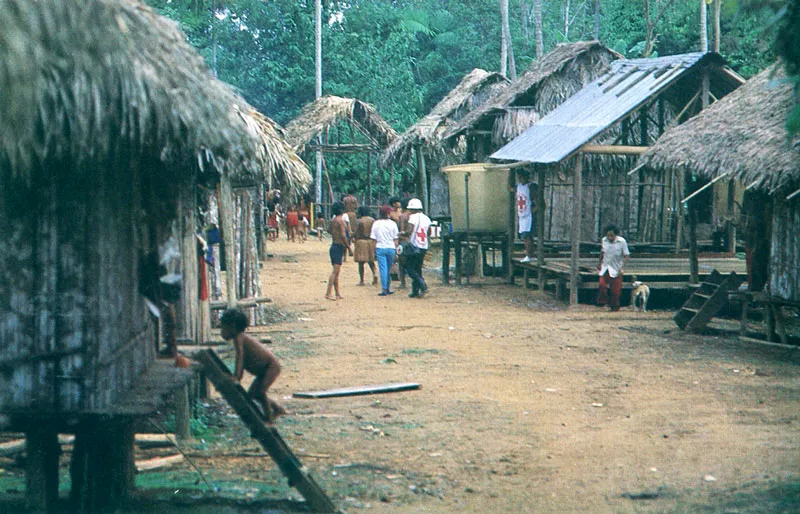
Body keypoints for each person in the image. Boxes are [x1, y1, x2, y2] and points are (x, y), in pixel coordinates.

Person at [220, 308, 286, 422]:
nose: (222, 331)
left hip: (270, 367)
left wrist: (236, 376)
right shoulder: (239, 338)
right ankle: (277, 408)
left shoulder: (239, 338)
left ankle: (268, 419)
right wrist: (238, 376)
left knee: (260, 392)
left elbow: (240, 357)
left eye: (223, 327)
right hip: (264, 370)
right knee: (252, 395)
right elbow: (242, 360)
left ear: (233, 326)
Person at [597, 224, 630, 312]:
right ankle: (604, 302)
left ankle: (614, 306)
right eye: (608, 235)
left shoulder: (621, 241)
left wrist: (621, 267)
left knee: (615, 290)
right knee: (602, 284)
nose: (609, 237)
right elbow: (602, 252)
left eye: (611, 235)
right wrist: (599, 263)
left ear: (616, 235)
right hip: (605, 266)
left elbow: (626, 255)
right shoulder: (604, 240)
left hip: (616, 267)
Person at [404, 198, 432, 298]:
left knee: (410, 268)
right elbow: (429, 233)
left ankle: (422, 285)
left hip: (414, 245)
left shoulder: (413, 218)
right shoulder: (427, 218)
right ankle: (415, 291)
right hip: (423, 246)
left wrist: (403, 233)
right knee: (418, 267)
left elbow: (409, 231)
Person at [371, 204, 399, 296]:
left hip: (380, 247)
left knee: (383, 269)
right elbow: (395, 238)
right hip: (391, 247)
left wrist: (373, 250)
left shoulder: (376, 223)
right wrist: (397, 250)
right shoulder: (393, 224)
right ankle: (388, 287)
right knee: (389, 268)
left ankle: (384, 289)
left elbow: (373, 239)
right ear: (388, 213)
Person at [326, 201, 351, 300]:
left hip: (333, 245)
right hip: (339, 247)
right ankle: (328, 293)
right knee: (335, 271)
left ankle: (337, 293)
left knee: (337, 271)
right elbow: (343, 236)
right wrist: (349, 248)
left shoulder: (333, 221)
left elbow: (328, 230)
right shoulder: (341, 221)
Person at [514, 169, 537, 263]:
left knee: (527, 237)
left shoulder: (531, 186)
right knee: (524, 237)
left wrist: (533, 212)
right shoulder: (518, 187)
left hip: (528, 216)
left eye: (521, 177)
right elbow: (509, 188)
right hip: (522, 215)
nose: (519, 179)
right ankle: (528, 254)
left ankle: (529, 255)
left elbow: (538, 202)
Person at [353, 206, 377, 286]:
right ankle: (375, 274)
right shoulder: (372, 220)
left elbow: (356, 232)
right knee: (371, 261)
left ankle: (362, 280)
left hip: (361, 241)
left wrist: (351, 236)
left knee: (361, 263)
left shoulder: (359, 221)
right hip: (370, 241)